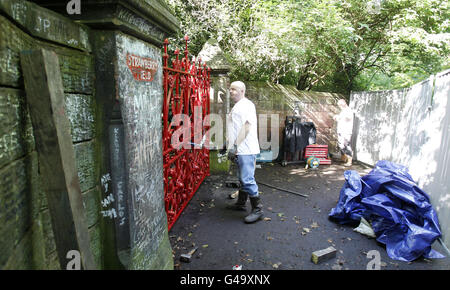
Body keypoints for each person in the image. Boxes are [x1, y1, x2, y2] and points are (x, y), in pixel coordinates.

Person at [225, 81, 263, 223]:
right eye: (230, 89)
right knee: (242, 178)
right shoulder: (238, 105)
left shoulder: (246, 105)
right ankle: (241, 204)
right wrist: (228, 143)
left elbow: (246, 126)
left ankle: (258, 210)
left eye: (234, 89)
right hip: (240, 149)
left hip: (246, 149)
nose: (231, 92)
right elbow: (235, 127)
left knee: (247, 179)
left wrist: (234, 146)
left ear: (242, 90)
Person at [335, 99, 354, 166]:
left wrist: (339, 117)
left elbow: (348, 118)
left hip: (346, 131)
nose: (340, 107)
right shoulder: (343, 111)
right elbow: (341, 120)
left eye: (340, 105)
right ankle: (343, 158)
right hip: (340, 130)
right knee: (341, 145)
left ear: (344, 104)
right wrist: (337, 117)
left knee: (346, 145)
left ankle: (349, 161)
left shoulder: (348, 110)